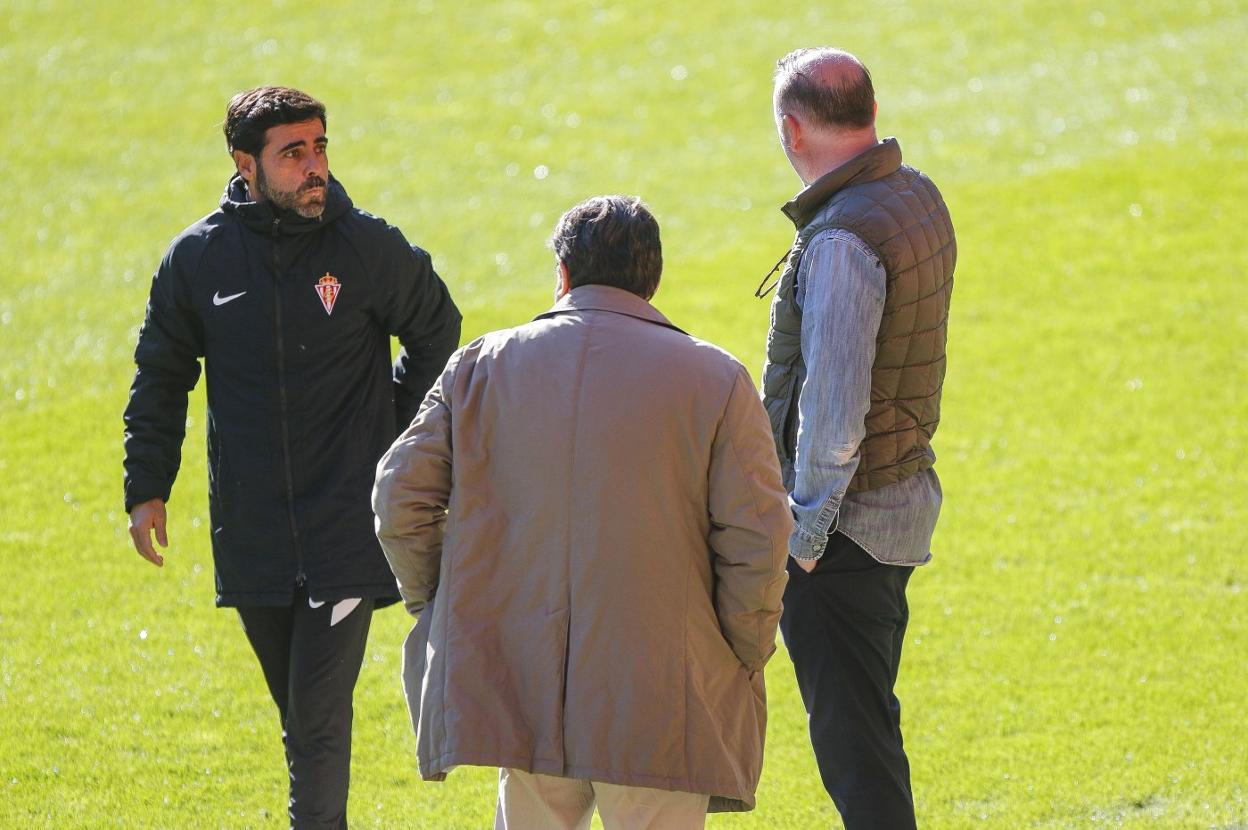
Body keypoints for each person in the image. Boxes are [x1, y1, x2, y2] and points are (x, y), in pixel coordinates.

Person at [372, 195, 792, 830]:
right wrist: (739, 651)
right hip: (663, 696)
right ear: (652, 280)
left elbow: (398, 499)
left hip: (521, 677)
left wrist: (450, 601)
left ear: (562, 274)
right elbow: (759, 541)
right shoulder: (717, 379)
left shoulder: (480, 366)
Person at [122, 86, 461, 829]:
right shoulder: (198, 260)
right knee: (299, 718)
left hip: (344, 527)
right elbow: (162, 373)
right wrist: (146, 485)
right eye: (293, 153)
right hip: (252, 535)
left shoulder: (366, 248)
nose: (315, 167)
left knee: (316, 725)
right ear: (247, 164)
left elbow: (439, 330)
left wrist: (395, 429)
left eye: (320, 147)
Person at [758, 49, 956, 829]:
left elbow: (834, 418)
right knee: (868, 731)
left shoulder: (841, 240)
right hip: (896, 505)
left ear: (792, 128)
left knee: (857, 750)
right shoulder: (915, 195)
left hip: (845, 532)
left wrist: (802, 541)